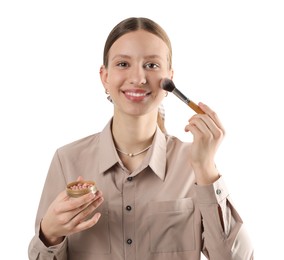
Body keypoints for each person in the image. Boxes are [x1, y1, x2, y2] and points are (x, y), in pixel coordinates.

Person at [28, 17, 254, 260]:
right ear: (105, 77)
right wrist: (49, 234)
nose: (138, 78)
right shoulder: (67, 160)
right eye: (123, 63)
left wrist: (206, 168)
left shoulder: (193, 163)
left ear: (170, 77)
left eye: (152, 65)